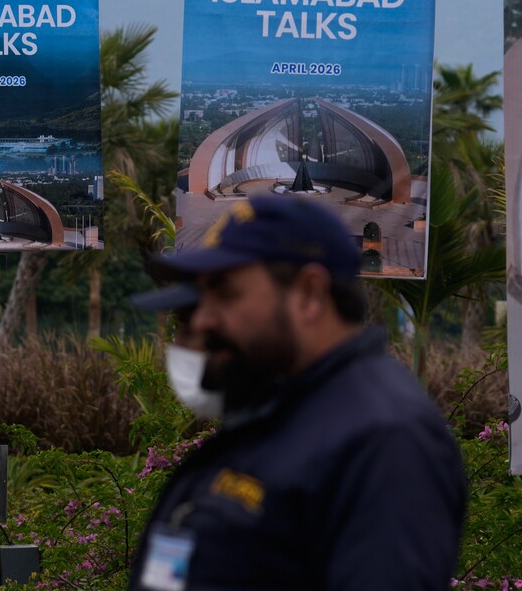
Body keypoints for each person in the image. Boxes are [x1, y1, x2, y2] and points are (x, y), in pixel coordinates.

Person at [129, 194, 466, 591]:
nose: (201, 318)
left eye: (226, 292)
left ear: (309, 294)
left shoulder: (384, 439)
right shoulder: (279, 417)